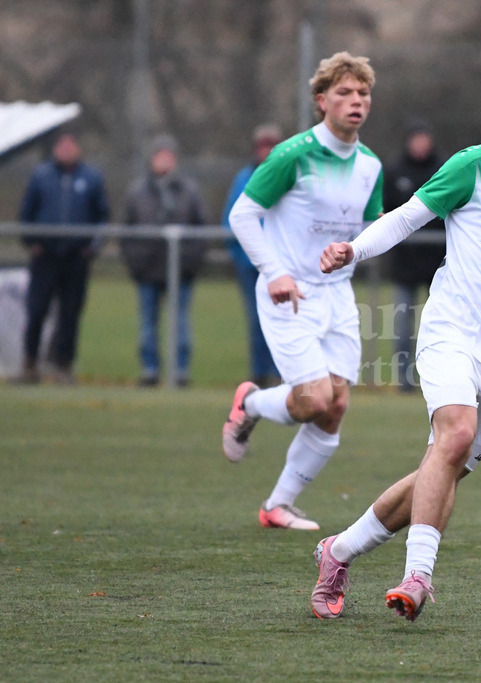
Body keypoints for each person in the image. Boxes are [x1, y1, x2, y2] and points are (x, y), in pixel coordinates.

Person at [313, 53, 481, 622]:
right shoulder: (474, 165)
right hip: (450, 332)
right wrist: (352, 250)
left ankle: (336, 551)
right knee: (455, 435)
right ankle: (417, 578)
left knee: (441, 467)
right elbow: (406, 217)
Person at [221, 52, 384, 531]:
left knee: (335, 407)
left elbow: (369, 230)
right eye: (344, 93)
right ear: (321, 101)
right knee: (312, 400)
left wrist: (353, 252)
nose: (356, 101)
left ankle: (277, 506)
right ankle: (250, 403)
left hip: (338, 296)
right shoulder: (293, 154)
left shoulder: (370, 165)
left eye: (363, 93)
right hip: (288, 294)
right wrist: (274, 271)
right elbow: (242, 215)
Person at [17, 132, 110, 384]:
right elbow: (26, 213)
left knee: (70, 314)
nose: (67, 150)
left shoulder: (91, 178)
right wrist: (32, 241)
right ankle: (29, 365)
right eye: (62, 145)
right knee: (36, 311)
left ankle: (62, 366)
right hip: (45, 257)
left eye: (71, 145)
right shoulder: (41, 176)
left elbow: (102, 216)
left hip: (76, 258)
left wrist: (92, 247)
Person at [121, 134, 209, 387]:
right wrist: (136, 263)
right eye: (160, 156)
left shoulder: (189, 191)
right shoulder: (138, 191)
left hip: (181, 270)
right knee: (147, 324)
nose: (164, 161)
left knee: (181, 323)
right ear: (151, 159)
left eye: (169, 156)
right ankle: (150, 370)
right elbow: (126, 231)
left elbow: (201, 230)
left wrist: (190, 262)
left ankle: (180, 372)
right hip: (147, 270)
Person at [382, 119, 446, 391]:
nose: (421, 144)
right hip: (406, 266)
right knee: (403, 328)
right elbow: (385, 212)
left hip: (438, 266)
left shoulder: (443, 170)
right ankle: (404, 380)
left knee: (441, 327)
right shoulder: (395, 171)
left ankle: (440, 379)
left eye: (424, 138)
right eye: (416, 139)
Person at [222, 123, 285, 388]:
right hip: (251, 265)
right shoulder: (244, 178)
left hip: (282, 265)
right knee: (257, 319)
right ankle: (259, 372)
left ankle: (280, 371)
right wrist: (241, 255)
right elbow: (233, 219)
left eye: (272, 145)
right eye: (263, 146)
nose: (266, 151)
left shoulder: (289, 177)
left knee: (284, 321)